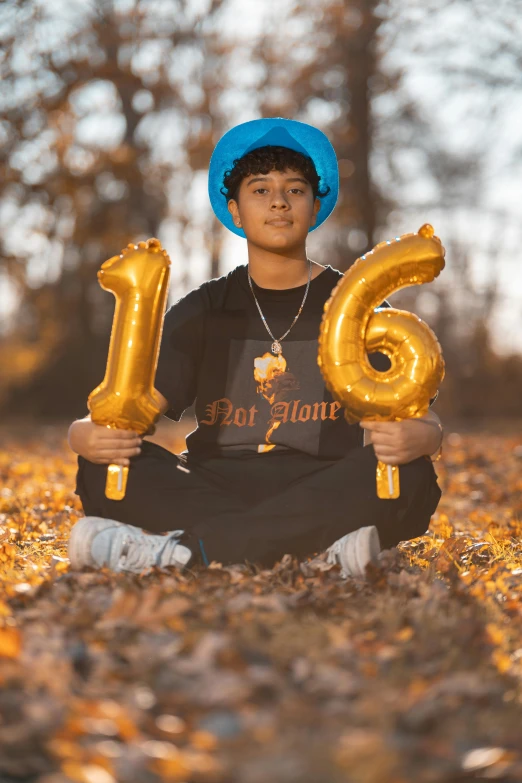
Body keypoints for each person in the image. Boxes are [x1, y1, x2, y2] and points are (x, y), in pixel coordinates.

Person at [67, 118, 443, 577]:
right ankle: (317, 553)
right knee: (105, 470)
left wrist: (427, 436)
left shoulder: (355, 304)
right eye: (260, 189)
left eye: (296, 189)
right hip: (215, 483)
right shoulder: (205, 307)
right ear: (236, 210)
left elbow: (418, 418)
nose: (279, 202)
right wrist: (84, 433)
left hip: (322, 482)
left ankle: (186, 553)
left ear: (315, 204)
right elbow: (130, 408)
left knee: (410, 474)